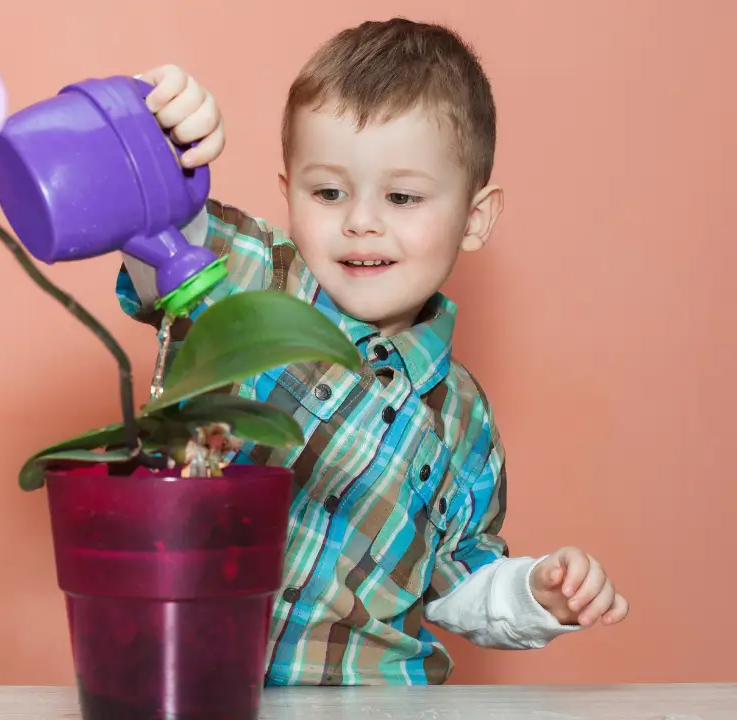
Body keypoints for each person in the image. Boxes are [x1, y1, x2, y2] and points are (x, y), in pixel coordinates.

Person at [115, 18, 628, 686]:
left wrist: (533, 591)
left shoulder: (462, 420)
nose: (361, 220)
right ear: (289, 194)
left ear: (474, 219)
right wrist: (163, 137)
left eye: (402, 197)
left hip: (374, 700)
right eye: (329, 192)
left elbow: (455, 577)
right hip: (187, 683)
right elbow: (155, 231)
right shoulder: (253, 277)